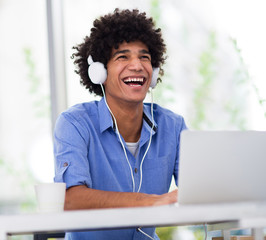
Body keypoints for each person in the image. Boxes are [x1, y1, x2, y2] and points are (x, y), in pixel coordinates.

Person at [53, 8, 187, 240]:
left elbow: (201, 193)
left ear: (154, 72)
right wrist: (150, 202)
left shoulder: (172, 126)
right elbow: (71, 199)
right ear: (99, 72)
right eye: (123, 57)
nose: (137, 66)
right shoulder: (75, 124)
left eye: (144, 57)